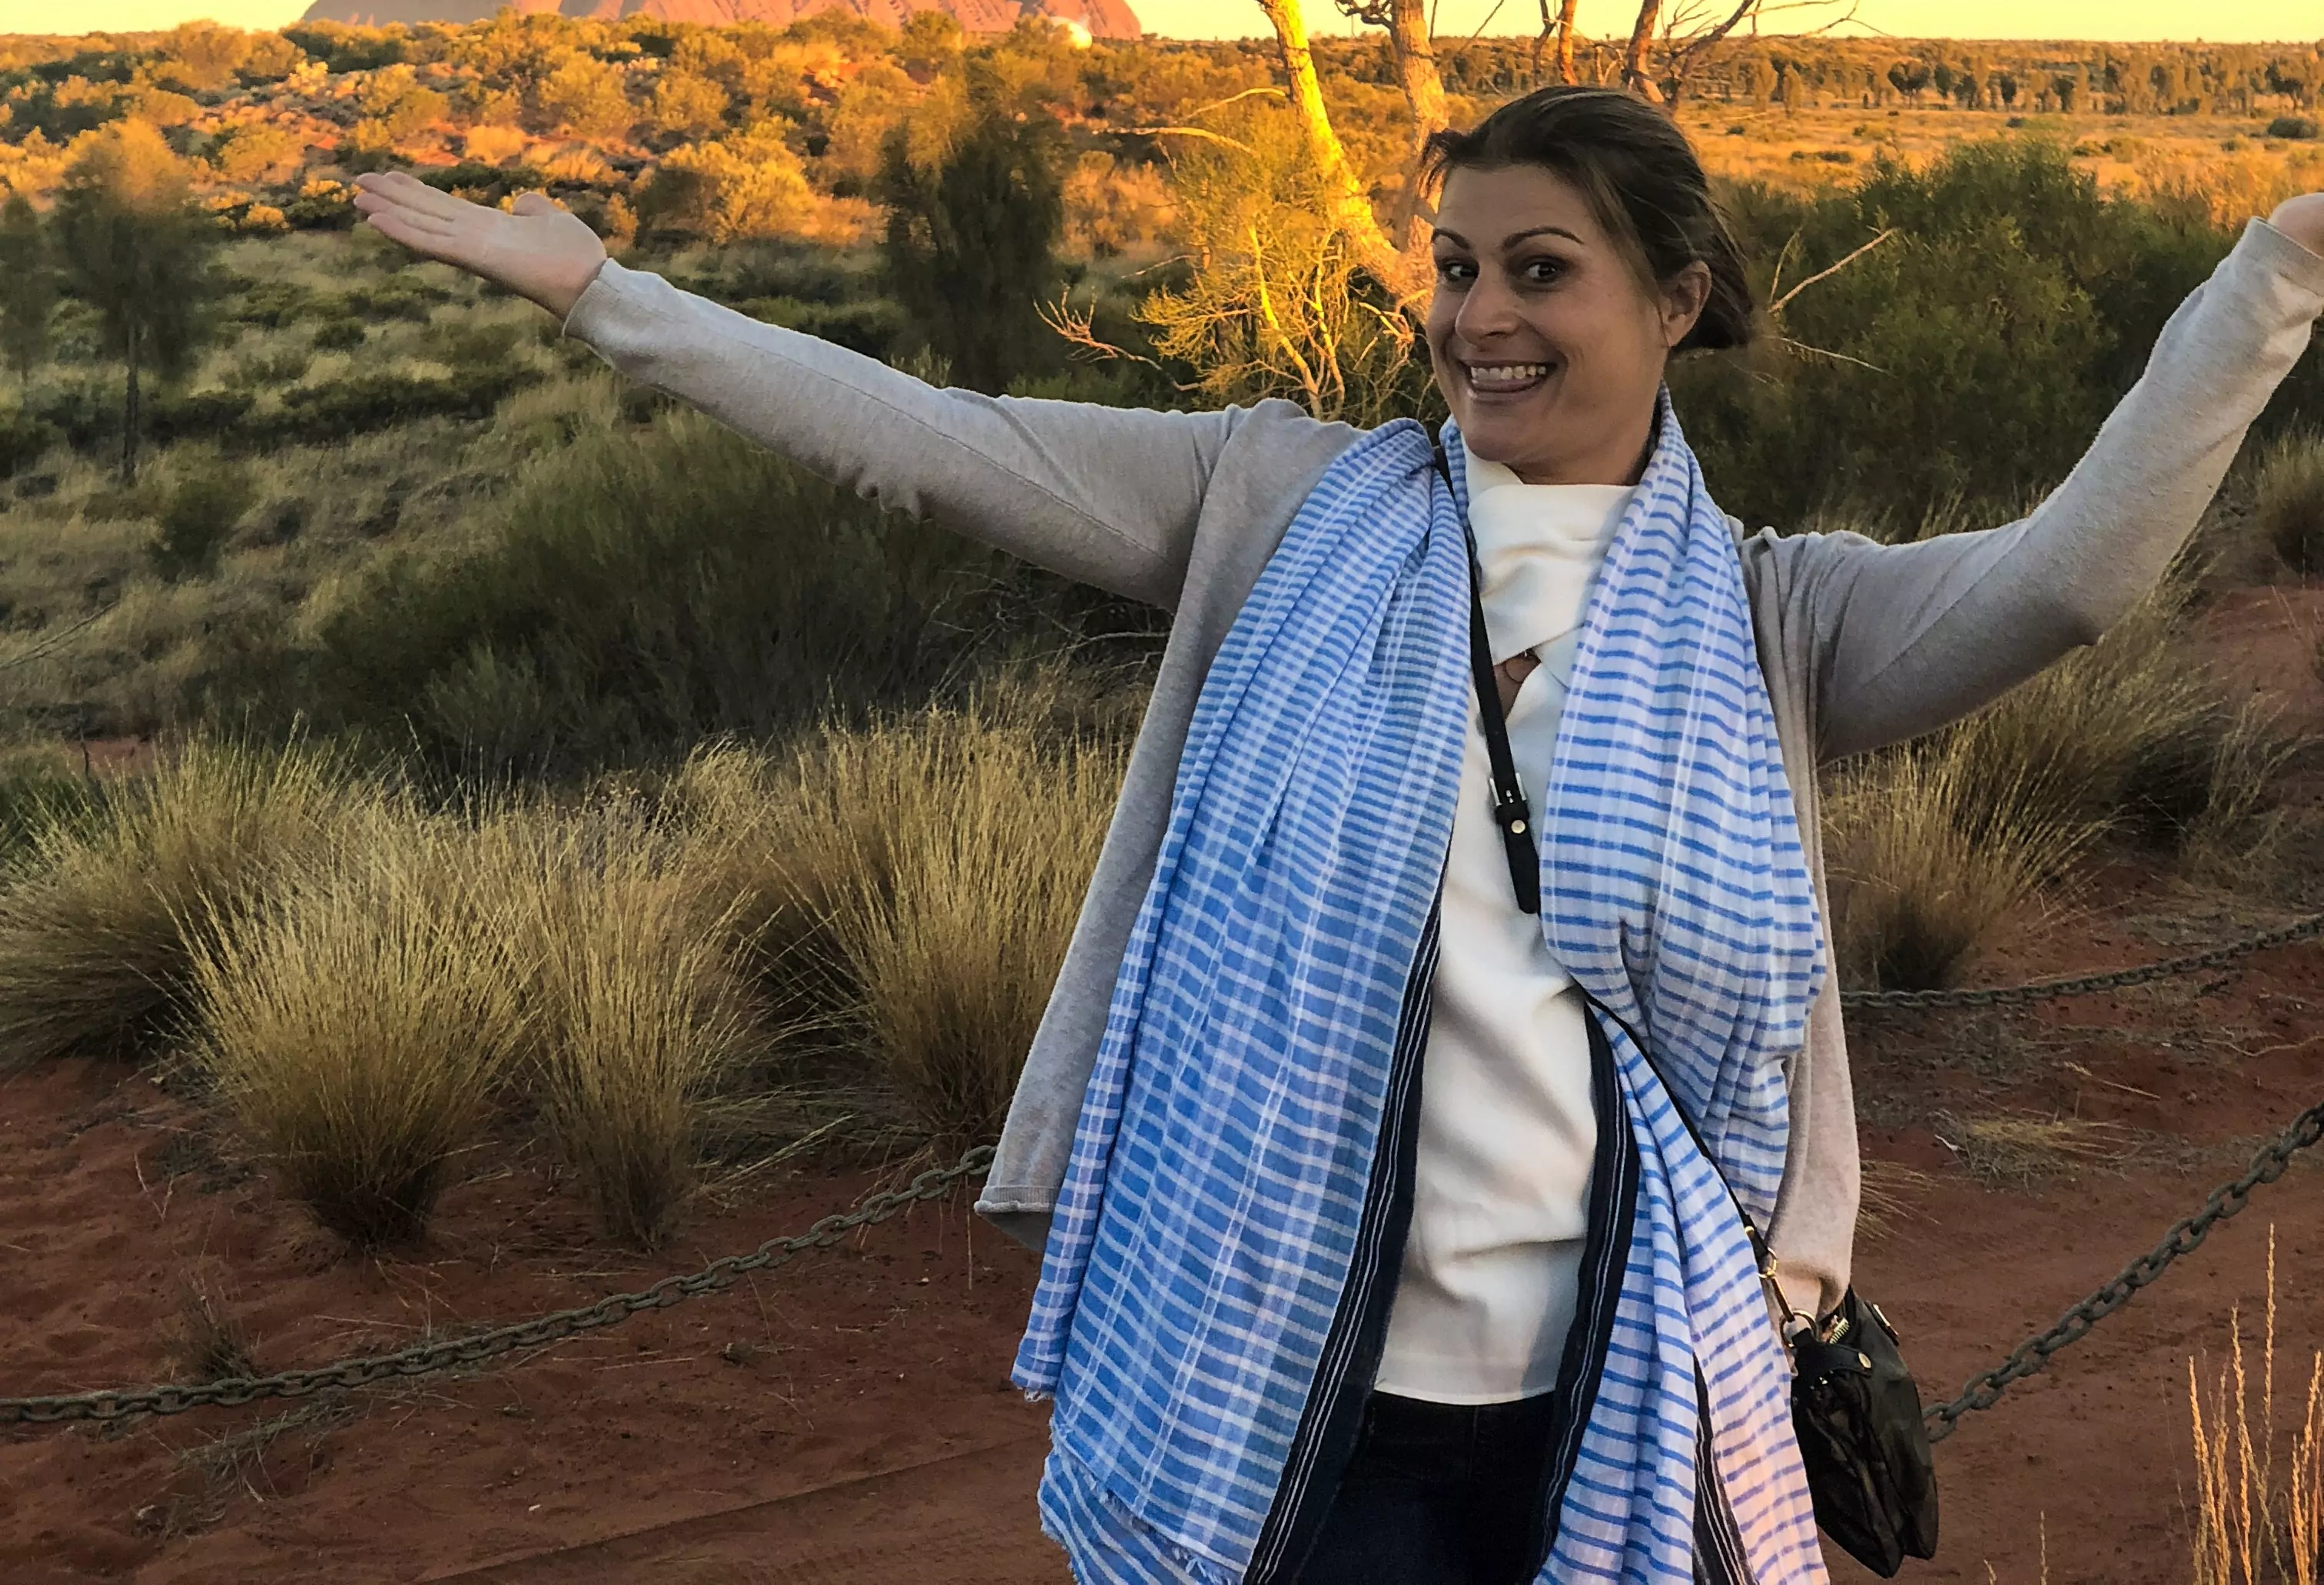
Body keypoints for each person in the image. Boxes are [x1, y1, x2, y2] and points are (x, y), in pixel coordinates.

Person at [354, 91, 2324, 1585]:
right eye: (1457, 264)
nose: (1479, 315)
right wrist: (610, 298)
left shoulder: (1772, 618)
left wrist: (2277, 274)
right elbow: (932, 439)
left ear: (1677, 296)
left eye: (1539, 268)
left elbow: (2075, 577)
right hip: (1294, 1376)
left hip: (1626, 1393)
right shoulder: (1281, 505)